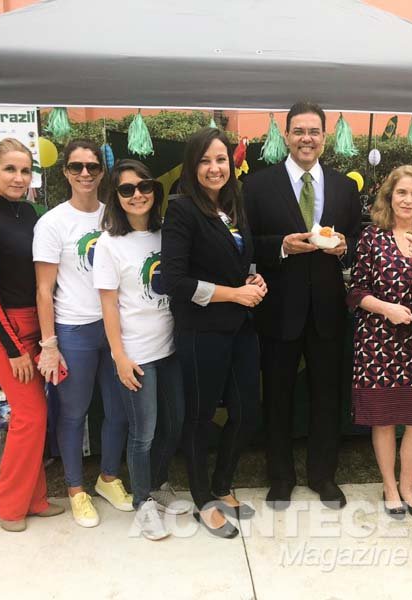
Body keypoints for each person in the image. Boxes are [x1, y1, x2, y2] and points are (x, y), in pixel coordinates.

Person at [244, 101, 361, 510]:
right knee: (276, 394)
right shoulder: (258, 186)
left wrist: (347, 246)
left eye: (313, 131)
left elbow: (357, 240)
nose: (306, 138)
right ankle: (280, 478)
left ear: (324, 138)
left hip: (328, 309)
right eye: (298, 131)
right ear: (286, 136)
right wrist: (280, 246)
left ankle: (322, 475)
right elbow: (244, 241)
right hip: (278, 308)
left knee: (326, 395)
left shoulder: (345, 186)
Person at [162, 128, 264, 538]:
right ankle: (204, 498)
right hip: (201, 331)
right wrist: (233, 294)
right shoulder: (182, 210)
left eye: (220, 159)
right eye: (205, 160)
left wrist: (255, 283)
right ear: (192, 166)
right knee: (201, 417)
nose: (214, 167)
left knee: (246, 411)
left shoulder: (234, 206)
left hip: (241, 327)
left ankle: (223, 484)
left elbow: (246, 260)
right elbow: (175, 281)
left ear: (231, 164)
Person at [33, 139, 136, 528]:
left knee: (119, 409)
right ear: (65, 172)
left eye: (92, 166)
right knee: (73, 413)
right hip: (73, 328)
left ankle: (108, 477)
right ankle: (76, 489)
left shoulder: (115, 215)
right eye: (77, 167)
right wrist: (49, 344)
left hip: (116, 327)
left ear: (102, 171)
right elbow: (44, 290)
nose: (85, 174)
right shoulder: (52, 223)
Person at [0, 137, 64, 532]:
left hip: (37, 326)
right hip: (4, 331)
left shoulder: (30, 212)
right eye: (10, 169)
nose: (19, 177)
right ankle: (8, 505)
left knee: (36, 417)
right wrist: (14, 350)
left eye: (25, 170)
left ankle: (35, 499)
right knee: (30, 415)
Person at [347, 165, 412, 520]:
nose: (407, 199)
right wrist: (387, 309)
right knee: (385, 419)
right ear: (390, 196)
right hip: (378, 341)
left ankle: (408, 487)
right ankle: (389, 486)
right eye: (401, 192)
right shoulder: (373, 237)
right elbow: (356, 291)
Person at [92, 159, 184, 541]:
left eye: (144, 186)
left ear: (154, 191)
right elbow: (108, 304)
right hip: (137, 353)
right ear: (116, 196)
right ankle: (143, 502)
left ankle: (158, 481)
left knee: (174, 422)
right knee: (142, 433)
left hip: (173, 348)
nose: (137, 195)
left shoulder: (168, 234)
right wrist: (120, 356)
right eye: (126, 189)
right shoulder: (109, 245)